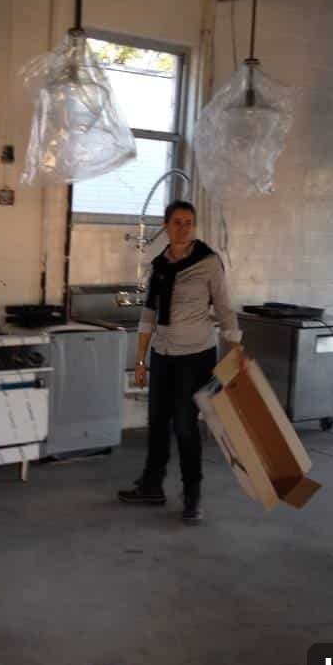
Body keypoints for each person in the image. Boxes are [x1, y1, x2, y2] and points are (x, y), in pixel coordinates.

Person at [117, 200, 242, 524]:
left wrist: (235, 345)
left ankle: (192, 496)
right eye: (177, 222)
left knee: (186, 426)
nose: (183, 228)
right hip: (163, 355)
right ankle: (151, 486)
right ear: (167, 225)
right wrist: (141, 360)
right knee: (157, 423)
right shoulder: (159, 265)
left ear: (194, 226)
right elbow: (148, 315)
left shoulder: (208, 262)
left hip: (196, 355)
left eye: (189, 222)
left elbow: (225, 307)